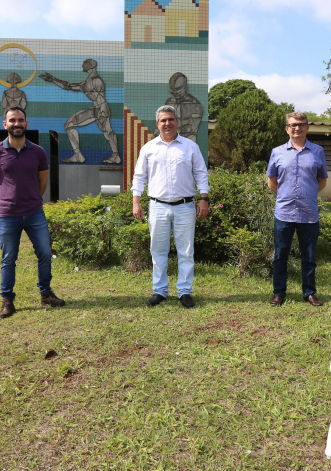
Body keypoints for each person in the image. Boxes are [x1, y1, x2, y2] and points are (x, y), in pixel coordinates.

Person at [0, 107, 65, 319]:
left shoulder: (38, 152)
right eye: (12, 120)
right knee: (9, 258)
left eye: (20, 120)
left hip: (34, 213)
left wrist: (31, 199)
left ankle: (46, 294)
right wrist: (6, 199)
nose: (17, 124)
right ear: (5, 124)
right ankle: (7, 301)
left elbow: (42, 182)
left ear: (26, 124)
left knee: (45, 252)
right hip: (8, 214)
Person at [131, 105, 210, 308]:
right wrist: (136, 201)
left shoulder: (190, 147)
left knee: (186, 251)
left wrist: (204, 198)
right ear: (157, 124)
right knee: (158, 250)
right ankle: (160, 291)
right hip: (158, 206)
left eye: (171, 119)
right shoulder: (148, 148)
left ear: (177, 121)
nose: (167, 123)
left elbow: (201, 174)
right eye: (163, 120)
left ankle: (184, 291)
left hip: (185, 206)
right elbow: (139, 177)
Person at [266, 111, 328, 307]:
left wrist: (308, 195)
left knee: (309, 256)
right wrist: (285, 196)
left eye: (301, 124)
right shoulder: (277, 152)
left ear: (307, 127)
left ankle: (309, 293)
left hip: (309, 212)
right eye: (293, 125)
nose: (297, 128)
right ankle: (279, 293)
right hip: (284, 212)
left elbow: (322, 180)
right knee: (280, 255)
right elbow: (271, 181)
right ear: (287, 128)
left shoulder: (318, 151)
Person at [39, 58, 121, 164]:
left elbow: (100, 97)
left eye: (84, 64)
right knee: (68, 125)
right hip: (96, 109)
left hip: (101, 109)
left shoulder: (97, 80)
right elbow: (68, 86)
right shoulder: (86, 82)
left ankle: (115, 156)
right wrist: (53, 79)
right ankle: (78, 155)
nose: (82, 66)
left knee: (108, 132)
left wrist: (102, 112)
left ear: (90, 66)